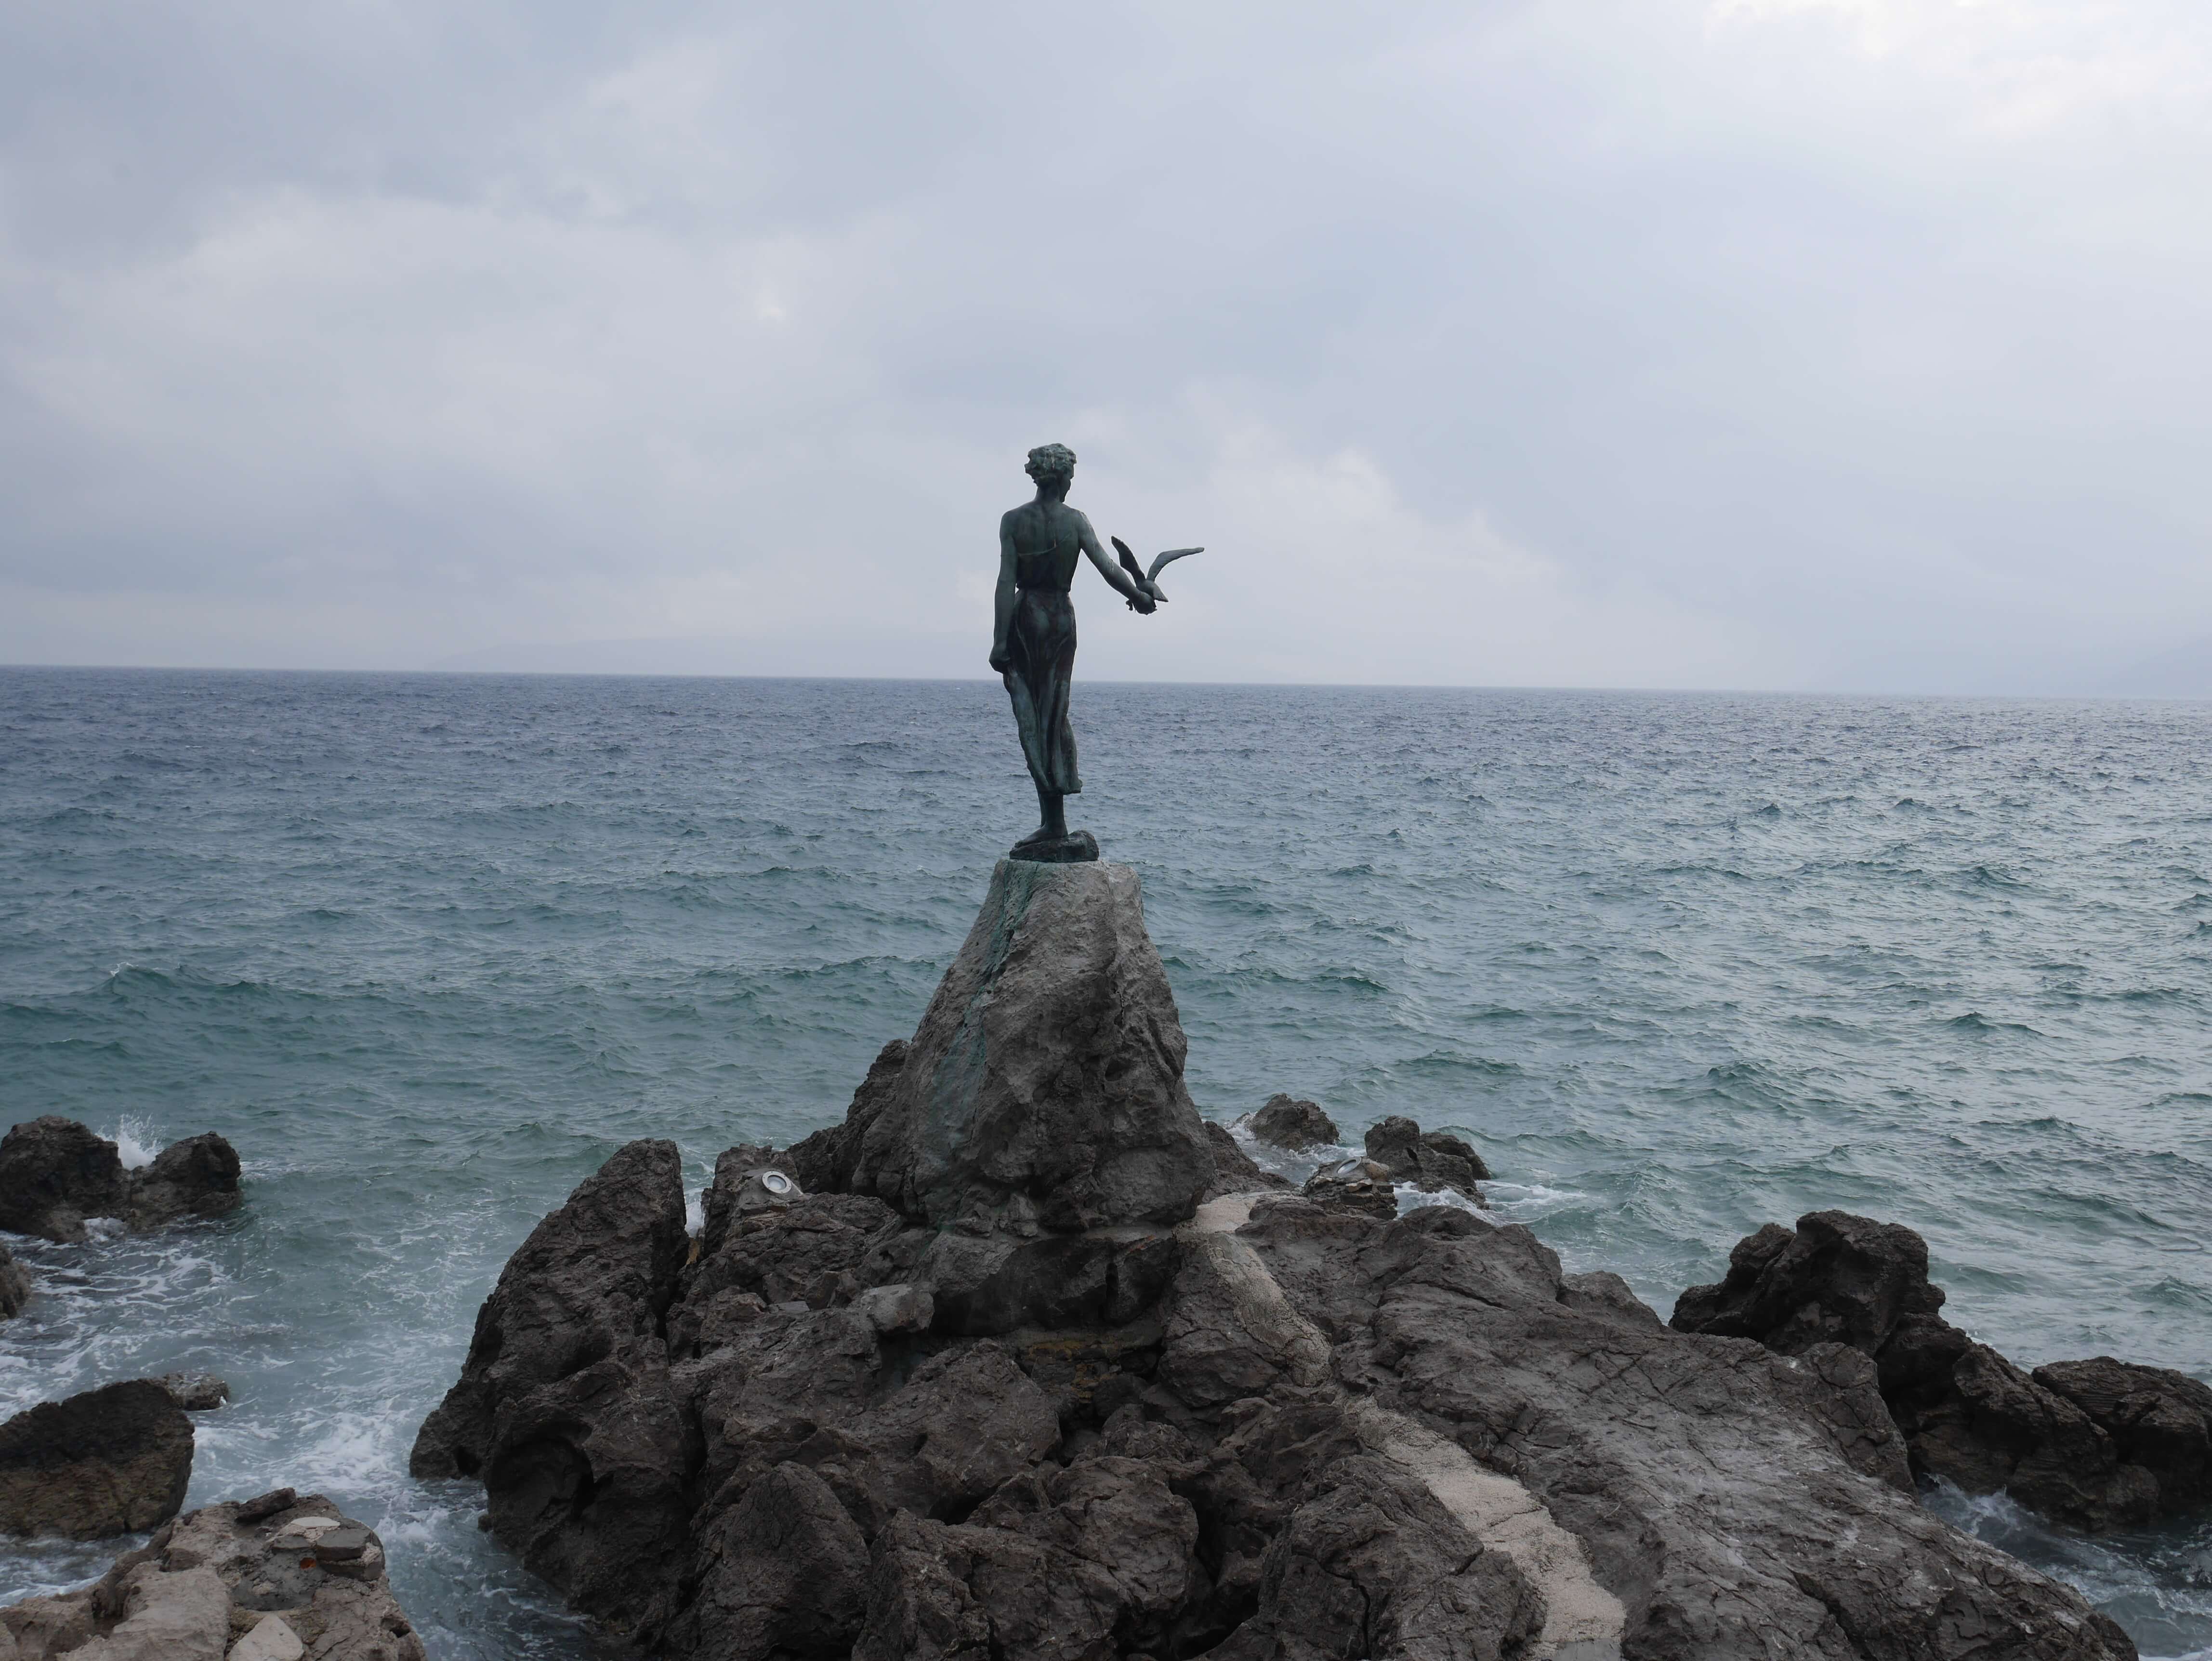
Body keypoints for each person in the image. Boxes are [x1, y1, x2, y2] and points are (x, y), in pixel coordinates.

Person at [989, 443, 1157, 854]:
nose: (1070, 485)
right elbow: (1108, 567)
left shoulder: (1013, 521)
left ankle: (1053, 822)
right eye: (1070, 478)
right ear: (1062, 477)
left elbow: (1006, 582)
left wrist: (999, 640)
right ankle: (1054, 822)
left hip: (1027, 619)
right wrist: (1139, 596)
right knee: (1053, 714)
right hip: (1061, 620)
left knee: (1034, 716)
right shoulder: (1075, 520)